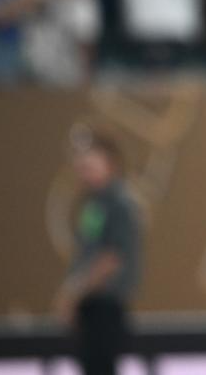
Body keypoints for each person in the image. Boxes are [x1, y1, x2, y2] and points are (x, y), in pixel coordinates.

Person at [54, 126, 141, 375]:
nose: (83, 168)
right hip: (91, 308)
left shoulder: (118, 203)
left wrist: (73, 292)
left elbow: (111, 258)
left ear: (110, 163)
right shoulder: (95, 203)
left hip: (105, 308)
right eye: (80, 163)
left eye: (90, 162)